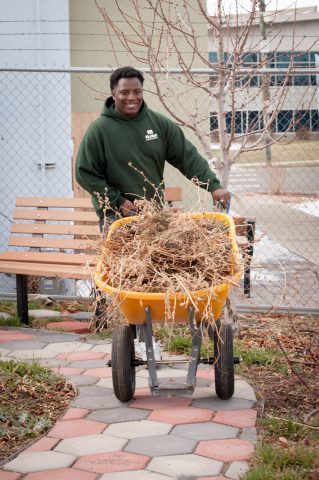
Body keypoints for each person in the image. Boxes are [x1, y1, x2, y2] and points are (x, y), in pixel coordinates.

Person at [75, 66, 230, 360]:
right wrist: (118, 201)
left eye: (136, 91)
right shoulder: (100, 131)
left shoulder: (157, 125)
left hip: (153, 218)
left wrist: (213, 185)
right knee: (128, 286)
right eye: (124, 92)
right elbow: (86, 174)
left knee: (152, 283)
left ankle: (151, 339)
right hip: (117, 220)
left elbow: (188, 157)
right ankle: (135, 343)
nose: (131, 98)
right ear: (113, 94)